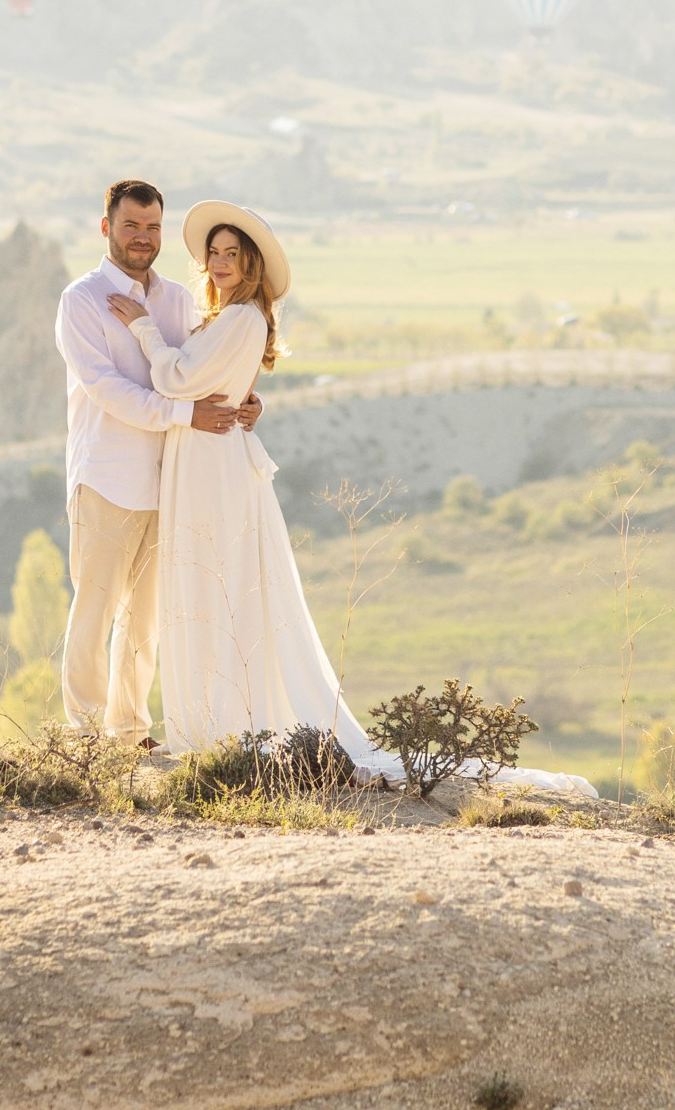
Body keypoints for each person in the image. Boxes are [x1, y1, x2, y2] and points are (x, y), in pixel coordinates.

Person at [109, 198, 592, 798]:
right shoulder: (227, 318)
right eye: (214, 252)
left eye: (232, 254)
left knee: (218, 579)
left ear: (251, 264)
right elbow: (215, 385)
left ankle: (223, 723)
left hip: (213, 467)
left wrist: (142, 327)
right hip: (203, 457)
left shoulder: (242, 319)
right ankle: (212, 717)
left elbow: (176, 380)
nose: (220, 261)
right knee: (209, 581)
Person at [53, 178, 257, 745]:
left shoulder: (178, 299)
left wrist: (243, 396)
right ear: (106, 228)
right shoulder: (81, 300)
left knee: (145, 617)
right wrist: (184, 415)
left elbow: (199, 368)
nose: (142, 238)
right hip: (107, 476)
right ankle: (86, 736)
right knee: (94, 608)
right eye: (130, 226)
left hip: (171, 479)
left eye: (152, 228)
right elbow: (107, 390)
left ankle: (129, 728)